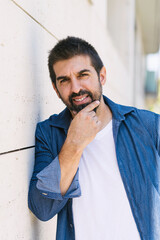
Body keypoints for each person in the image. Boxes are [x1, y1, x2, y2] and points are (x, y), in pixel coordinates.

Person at [28, 36, 160, 240]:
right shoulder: (49, 132)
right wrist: (74, 143)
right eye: (64, 80)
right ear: (55, 89)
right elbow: (42, 208)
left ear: (102, 75)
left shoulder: (147, 124)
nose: (75, 88)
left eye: (83, 75)